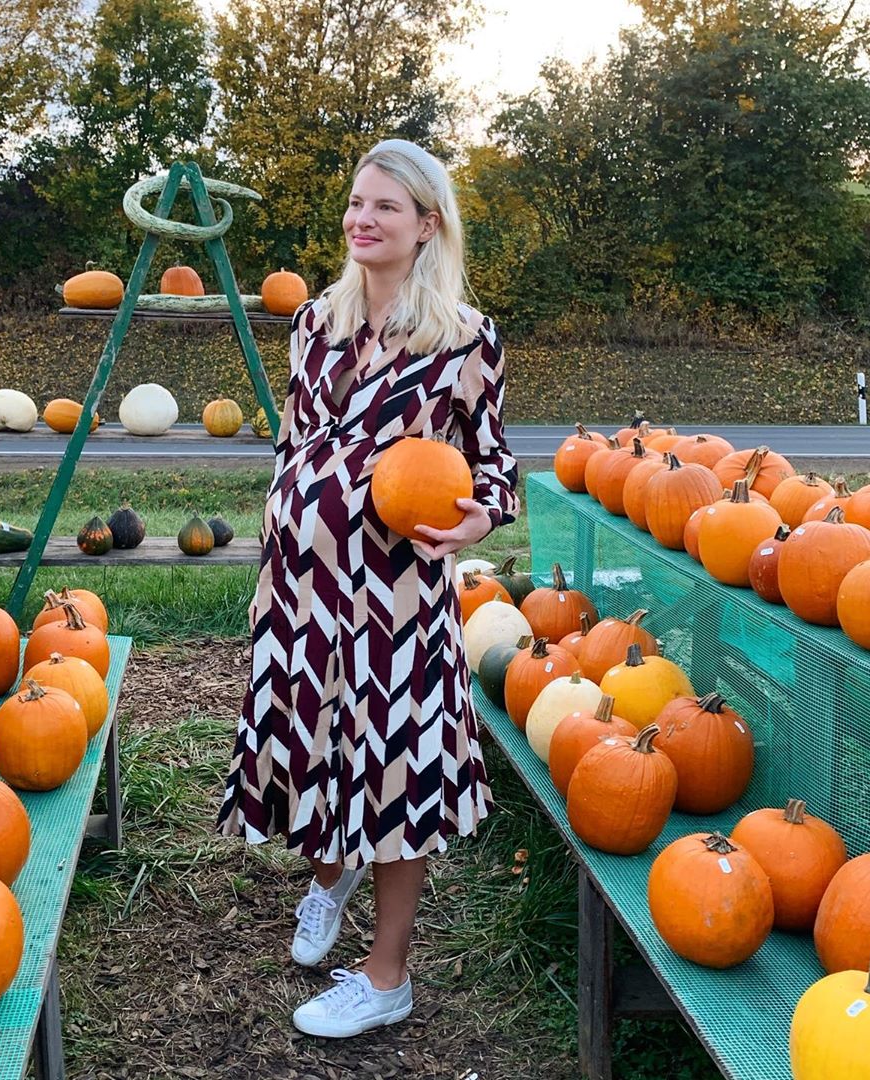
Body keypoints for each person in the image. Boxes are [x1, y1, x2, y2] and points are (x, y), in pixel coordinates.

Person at [217, 137, 519, 1039]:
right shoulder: (317, 320)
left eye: (386, 206)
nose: (363, 218)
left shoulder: (465, 339)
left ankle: (387, 977)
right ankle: (330, 874)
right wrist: (283, 535)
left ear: (427, 225)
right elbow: (297, 441)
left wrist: (478, 519)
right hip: (301, 588)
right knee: (316, 746)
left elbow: (496, 467)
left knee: (393, 771)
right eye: (357, 202)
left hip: (393, 598)